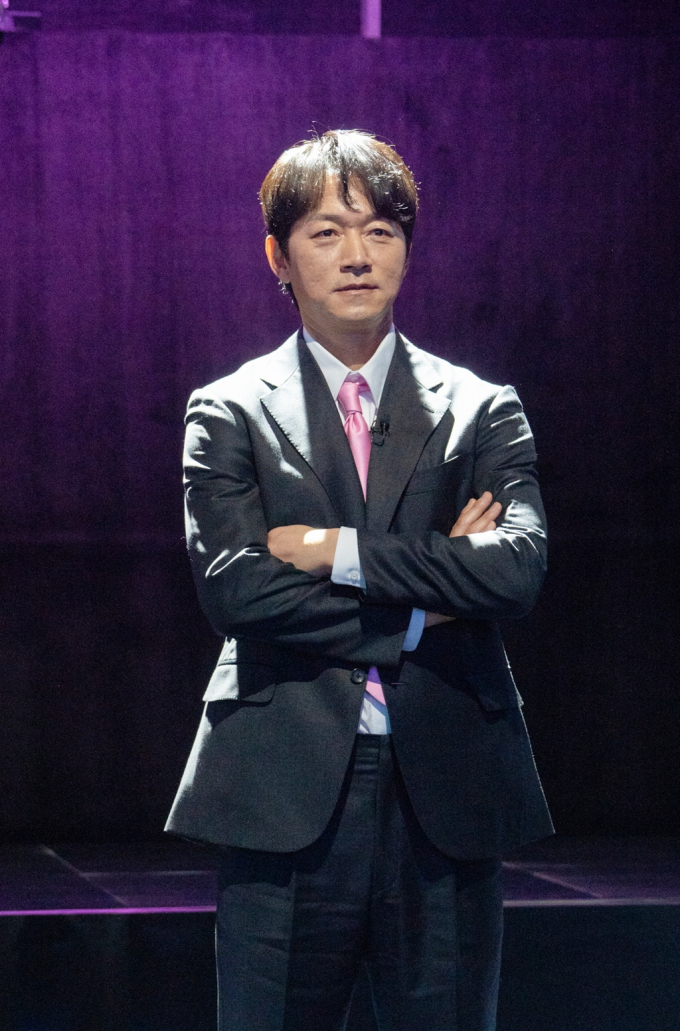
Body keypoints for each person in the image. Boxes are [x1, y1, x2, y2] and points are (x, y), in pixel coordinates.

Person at [166, 129, 553, 1031]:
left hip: (449, 779)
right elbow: (238, 590)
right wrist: (428, 606)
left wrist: (334, 550)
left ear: (407, 250)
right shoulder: (229, 408)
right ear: (279, 256)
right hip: (281, 785)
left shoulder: (480, 406)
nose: (356, 255)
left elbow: (515, 571)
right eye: (327, 232)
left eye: (380, 230)